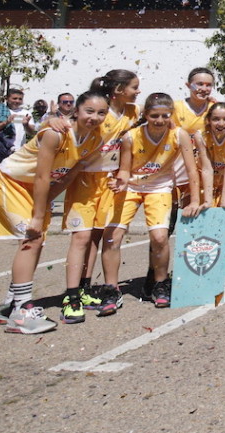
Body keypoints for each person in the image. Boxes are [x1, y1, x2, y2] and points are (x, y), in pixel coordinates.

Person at [0, 90, 109, 333]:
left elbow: (69, 175)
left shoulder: (95, 140)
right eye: (89, 111)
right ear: (76, 111)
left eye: (101, 113)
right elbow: (43, 175)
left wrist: (46, 203)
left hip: (37, 190)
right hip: (12, 182)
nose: (95, 117)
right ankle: (21, 311)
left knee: (37, 241)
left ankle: (9, 306)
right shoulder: (56, 134)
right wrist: (37, 214)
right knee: (32, 239)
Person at [108, 93, 202, 308]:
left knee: (160, 237)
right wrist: (120, 182)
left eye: (165, 115)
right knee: (113, 237)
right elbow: (123, 170)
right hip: (131, 186)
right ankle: (110, 288)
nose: (160, 120)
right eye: (154, 116)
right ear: (146, 115)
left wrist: (195, 200)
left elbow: (191, 169)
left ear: (171, 115)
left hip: (159, 187)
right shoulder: (131, 136)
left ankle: (160, 283)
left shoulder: (179, 135)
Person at [61, 69, 140, 317]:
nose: (138, 92)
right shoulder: (98, 111)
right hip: (85, 178)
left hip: (109, 180)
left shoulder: (132, 112)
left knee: (96, 235)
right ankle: (70, 295)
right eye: (134, 87)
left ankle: (85, 287)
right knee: (81, 238)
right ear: (118, 90)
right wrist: (55, 120)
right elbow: (69, 124)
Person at [0, 88, 35, 162]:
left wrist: (26, 125)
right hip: (0, 151)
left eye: (20, 99)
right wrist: (5, 123)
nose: (17, 101)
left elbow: (31, 132)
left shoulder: (26, 113)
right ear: (7, 99)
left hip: (19, 151)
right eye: (14, 98)